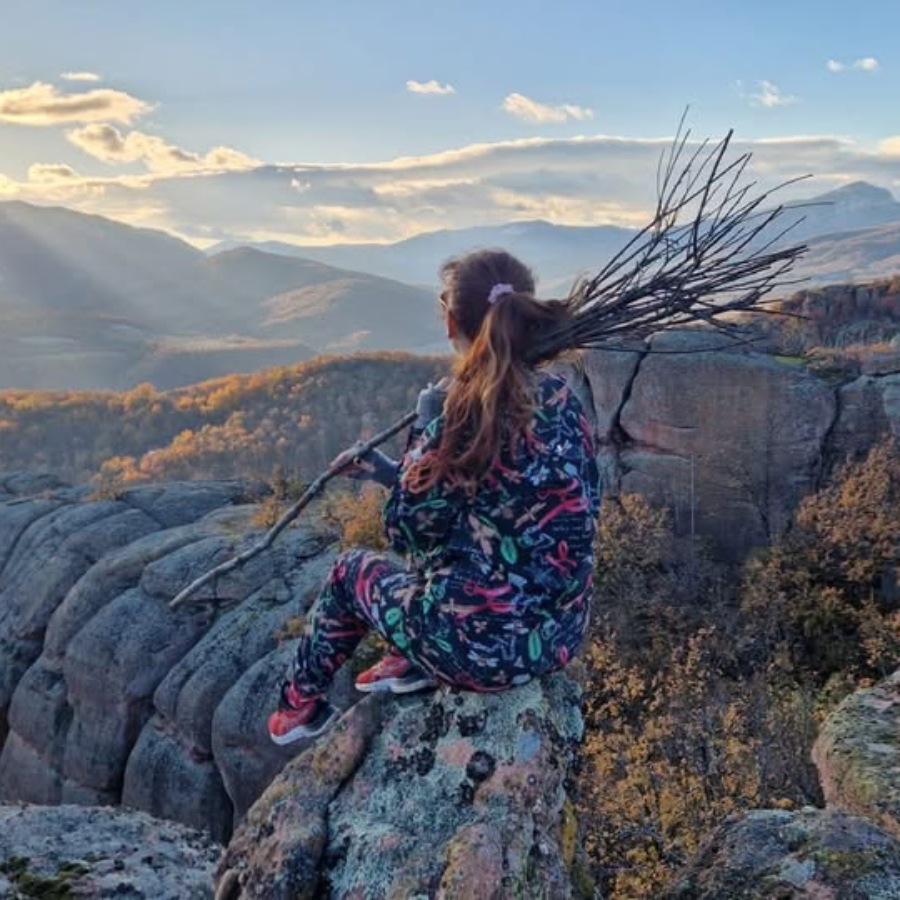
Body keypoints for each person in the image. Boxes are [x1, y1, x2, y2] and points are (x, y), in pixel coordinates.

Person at [267, 249, 601, 745]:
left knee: (348, 573)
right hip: (555, 638)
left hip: (479, 653)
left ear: (450, 321)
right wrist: (387, 471)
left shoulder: (458, 418)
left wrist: (426, 428)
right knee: (462, 551)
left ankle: (296, 710)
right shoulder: (561, 399)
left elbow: (405, 531)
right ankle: (411, 659)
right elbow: (497, 505)